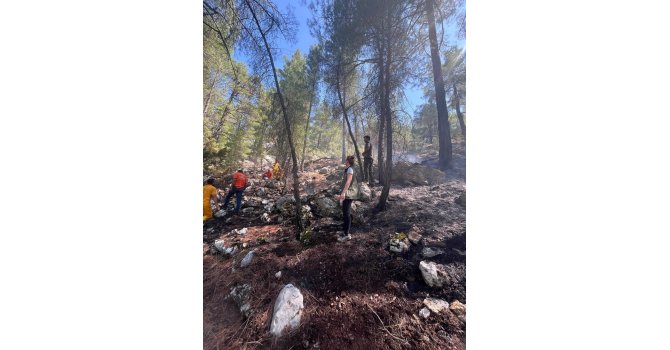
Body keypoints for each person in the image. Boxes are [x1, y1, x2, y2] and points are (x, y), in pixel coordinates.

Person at [335, 155, 359, 242]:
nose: (345, 162)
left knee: (346, 213)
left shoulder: (350, 169)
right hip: (348, 193)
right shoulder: (349, 169)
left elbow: (348, 182)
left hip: (349, 193)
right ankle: (345, 231)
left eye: (346, 160)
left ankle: (347, 234)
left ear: (347, 161)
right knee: (345, 212)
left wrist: (343, 193)